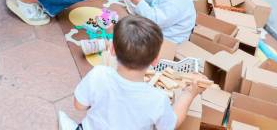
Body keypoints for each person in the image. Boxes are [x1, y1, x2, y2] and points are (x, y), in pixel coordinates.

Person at [61, 16, 206, 130]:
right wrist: (189, 94)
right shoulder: (157, 99)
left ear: (112, 50)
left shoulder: (99, 74)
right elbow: (170, 125)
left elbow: (79, 106)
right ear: (155, 61)